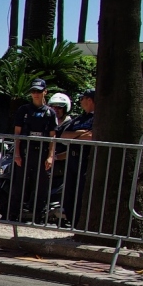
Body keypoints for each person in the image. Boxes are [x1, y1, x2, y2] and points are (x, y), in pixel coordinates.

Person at [7, 78, 58, 220]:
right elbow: (17, 133)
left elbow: (53, 136)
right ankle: (14, 213)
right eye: (33, 91)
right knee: (19, 183)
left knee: (41, 185)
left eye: (39, 91)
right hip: (24, 150)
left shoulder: (50, 113)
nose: (36, 94)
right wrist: (16, 153)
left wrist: (50, 156)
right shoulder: (23, 110)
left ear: (45, 92)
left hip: (41, 152)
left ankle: (38, 215)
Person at [48, 89, 94, 227]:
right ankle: (71, 220)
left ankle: (79, 223)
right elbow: (64, 135)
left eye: (82, 99)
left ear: (89, 100)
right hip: (72, 160)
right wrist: (81, 134)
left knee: (80, 193)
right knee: (69, 193)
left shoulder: (98, 118)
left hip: (85, 159)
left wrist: (75, 136)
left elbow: (93, 136)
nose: (80, 102)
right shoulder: (79, 118)